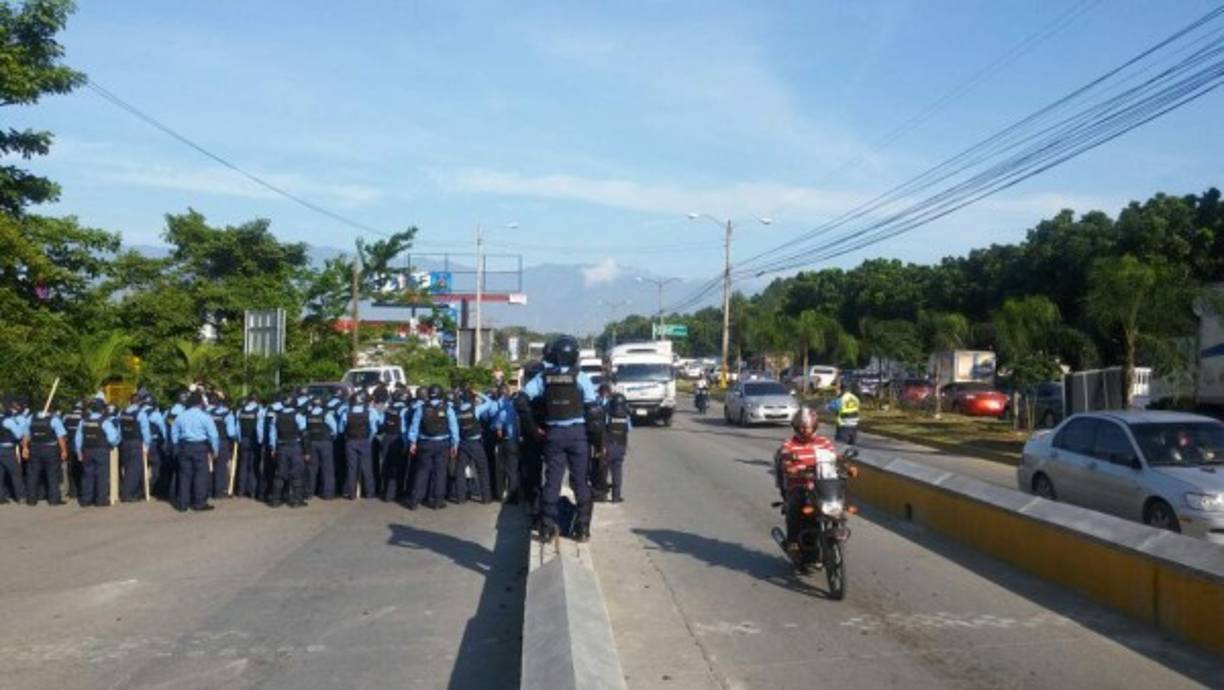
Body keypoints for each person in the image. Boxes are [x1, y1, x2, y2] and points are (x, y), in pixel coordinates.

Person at [520, 335, 600, 542]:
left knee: (552, 481)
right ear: (574, 355)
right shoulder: (580, 376)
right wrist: (597, 441)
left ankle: (546, 527)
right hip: (577, 435)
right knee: (581, 482)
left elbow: (521, 400)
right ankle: (582, 528)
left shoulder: (543, 377)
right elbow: (593, 411)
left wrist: (533, 428)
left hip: (553, 435)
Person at [775, 406, 855, 558]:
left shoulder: (824, 442)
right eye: (801, 427)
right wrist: (790, 467)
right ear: (796, 428)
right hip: (799, 485)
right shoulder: (790, 444)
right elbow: (784, 456)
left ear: (815, 427)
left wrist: (848, 467)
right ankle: (793, 542)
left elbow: (835, 457)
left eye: (808, 427)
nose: (805, 430)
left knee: (840, 501)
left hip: (822, 485)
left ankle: (837, 529)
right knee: (795, 505)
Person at [405, 384, 459, 510]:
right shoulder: (447, 408)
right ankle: (437, 500)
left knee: (422, 471)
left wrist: (412, 442)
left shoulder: (421, 408)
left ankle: (415, 500)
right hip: (442, 444)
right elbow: (453, 427)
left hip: (424, 443)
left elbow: (414, 425)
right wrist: (454, 444)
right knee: (440, 472)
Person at [171, 392, 220, 512]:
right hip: (200, 447)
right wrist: (215, 450)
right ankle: (199, 503)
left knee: (184, 476)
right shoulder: (205, 417)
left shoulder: (181, 416)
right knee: (200, 476)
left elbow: (174, 432)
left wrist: (176, 445)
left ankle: (183, 504)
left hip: (184, 447)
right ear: (200, 403)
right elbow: (213, 435)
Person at [451, 388, 497, 504]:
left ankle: (461, 498)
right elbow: (489, 403)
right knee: (483, 470)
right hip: (476, 444)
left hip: (463, 443)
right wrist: (479, 393)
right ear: (472, 398)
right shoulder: (475, 409)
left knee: (460, 471)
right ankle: (486, 498)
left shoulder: (456, 412)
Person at [74, 397, 120, 507]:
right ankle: (101, 500)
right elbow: (113, 439)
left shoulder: (83, 421)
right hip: (101, 451)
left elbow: (78, 438)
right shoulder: (105, 422)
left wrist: (79, 452)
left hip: (87, 451)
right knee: (101, 476)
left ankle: (86, 500)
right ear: (102, 409)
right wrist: (116, 443)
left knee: (87, 475)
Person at [267, 391, 308, 508]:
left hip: (281, 447)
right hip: (295, 446)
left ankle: (275, 500)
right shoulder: (298, 416)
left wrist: (273, 448)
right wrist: (306, 451)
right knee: (296, 473)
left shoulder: (277, 416)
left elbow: (272, 434)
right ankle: (297, 500)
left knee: (279, 473)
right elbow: (304, 434)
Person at [341, 391, 382, 500]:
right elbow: (375, 429)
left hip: (350, 441)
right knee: (367, 468)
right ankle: (369, 493)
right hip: (365, 441)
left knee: (351, 468)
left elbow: (341, 428)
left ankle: (352, 494)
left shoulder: (346, 412)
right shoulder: (371, 411)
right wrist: (369, 439)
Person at [24, 405, 68, 505]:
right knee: (52, 474)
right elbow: (60, 437)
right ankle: (54, 500)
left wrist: (25, 448)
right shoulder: (54, 419)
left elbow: (26, 434)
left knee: (33, 475)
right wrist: (64, 450)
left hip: (35, 448)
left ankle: (31, 500)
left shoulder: (31, 418)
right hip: (50, 449)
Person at [117, 393, 152, 502]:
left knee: (128, 469)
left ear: (130, 401)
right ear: (140, 402)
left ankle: (136, 492)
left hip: (124, 443)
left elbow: (119, 430)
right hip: (136, 444)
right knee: (135, 470)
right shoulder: (141, 414)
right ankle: (127, 494)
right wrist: (147, 445)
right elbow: (145, 432)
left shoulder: (121, 413)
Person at [304, 395, 338, 500]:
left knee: (312, 469)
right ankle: (328, 494)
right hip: (325, 443)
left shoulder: (308, 415)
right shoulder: (326, 415)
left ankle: (310, 493)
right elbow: (334, 430)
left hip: (312, 443)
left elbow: (305, 430)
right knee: (327, 469)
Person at [491, 383, 521, 504]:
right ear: (508, 393)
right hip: (514, 441)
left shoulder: (502, 407)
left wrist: (497, 426)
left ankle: (500, 494)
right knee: (513, 469)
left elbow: (497, 422)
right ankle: (513, 497)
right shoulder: (514, 405)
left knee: (500, 469)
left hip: (503, 441)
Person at [379, 391, 409, 502]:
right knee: (399, 466)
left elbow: (382, 423)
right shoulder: (405, 410)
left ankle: (386, 491)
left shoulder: (388, 409)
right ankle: (396, 492)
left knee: (386, 464)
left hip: (387, 437)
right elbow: (405, 428)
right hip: (398, 438)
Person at [603, 392, 633, 503]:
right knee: (617, 472)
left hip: (607, 446)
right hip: (620, 446)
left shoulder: (607, 415)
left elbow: (602, 427)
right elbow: (629, 429)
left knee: (604, 471)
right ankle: (616, 496)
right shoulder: (626, 416)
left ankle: (602, 495)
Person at [1, 396, 30, 504]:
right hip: (8, 450)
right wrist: (21, 424)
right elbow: (18, 434)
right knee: (16, 473)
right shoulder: (8, 421)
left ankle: (1, 497)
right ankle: (21, 496)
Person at [209, 393, 238, 498]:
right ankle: (219, 492)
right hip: (222, 442)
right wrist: (236, 437)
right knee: (221, 468)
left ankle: (209, 490)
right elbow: (231, 432)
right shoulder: (227, 414)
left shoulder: (208, 413)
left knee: (209, 467)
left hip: (209, 443)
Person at [235, 393, 264, 498]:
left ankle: (241, 491)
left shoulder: (240, 411)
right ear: (257, 400)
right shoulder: (260, 411)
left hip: (243, 440)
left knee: (243, 465)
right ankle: (252, 491)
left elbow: (237, 428)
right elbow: (259, 428)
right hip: (254, 441)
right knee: (253, 466)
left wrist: (239, 440)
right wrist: (261, 441)